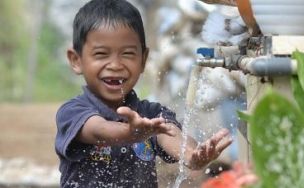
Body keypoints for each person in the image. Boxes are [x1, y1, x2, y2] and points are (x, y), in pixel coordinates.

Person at [55, 0, 232, 187]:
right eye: (101, 54)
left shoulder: (151, 114)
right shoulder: (72, 112)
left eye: (128, 54)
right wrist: (129, 132)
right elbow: (97, 129)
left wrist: (190, 155)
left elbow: (170, 135)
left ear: (143, 60)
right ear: (76, 60)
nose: (115, 65)